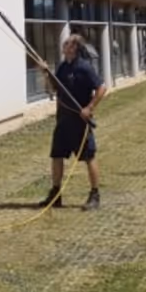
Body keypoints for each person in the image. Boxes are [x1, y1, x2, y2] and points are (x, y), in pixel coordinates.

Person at [39, 34, 106, 210]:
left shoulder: (84, 68)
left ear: (74, 48)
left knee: (88, 156)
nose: (64, 45)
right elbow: (55, 88)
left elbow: (101, 88)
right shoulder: (62, 67)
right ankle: (56, 194)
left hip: (80, 121)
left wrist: (89, 108)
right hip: (63, 120)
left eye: (68, 43)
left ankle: (94, 195)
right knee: (57, 156)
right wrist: (46, 73)